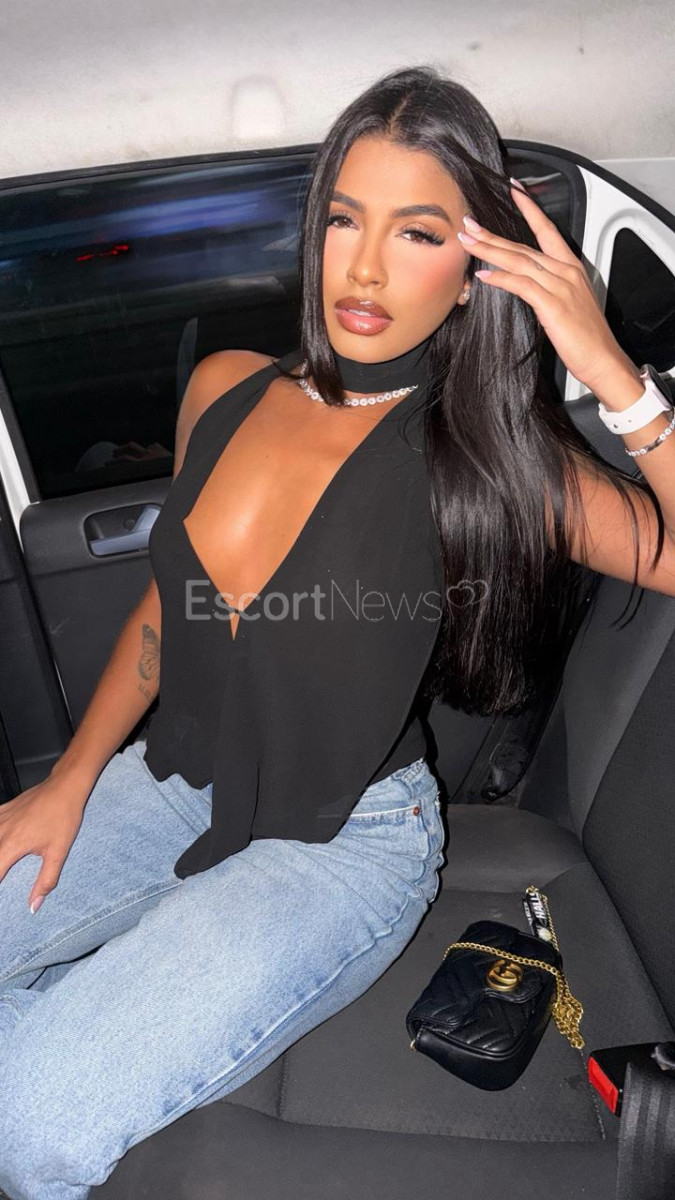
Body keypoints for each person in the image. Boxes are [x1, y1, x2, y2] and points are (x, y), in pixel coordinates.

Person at [1, 63, 674, 1199]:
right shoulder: (223, 387)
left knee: (32, 1125)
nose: (363, 269)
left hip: (344, 839)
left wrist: (607, 368)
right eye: (344, 221)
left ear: (473, 269)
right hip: (172, 784)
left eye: (417, 233)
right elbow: (170, 609)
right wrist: (69, 780)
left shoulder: (489, 462)